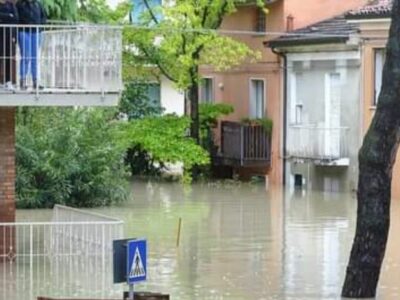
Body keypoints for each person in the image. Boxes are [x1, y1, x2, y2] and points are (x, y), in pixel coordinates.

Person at [16, 0, 46, 90]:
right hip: (24, 31)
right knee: (26, 57)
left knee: (35, 57)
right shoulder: (20, 4)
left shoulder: (38, 4)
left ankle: (35, 81)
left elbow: (43, 17)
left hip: (36, 32)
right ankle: (23, 80)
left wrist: (40, 26)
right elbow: (17, 18)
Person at [0, 0, 18, 91]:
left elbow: (15, 18)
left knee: (8, 57)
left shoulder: (11, 5)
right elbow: (11, 17)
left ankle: (8, 81)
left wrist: (4, 17)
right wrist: (8, 16)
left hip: (9, 35)